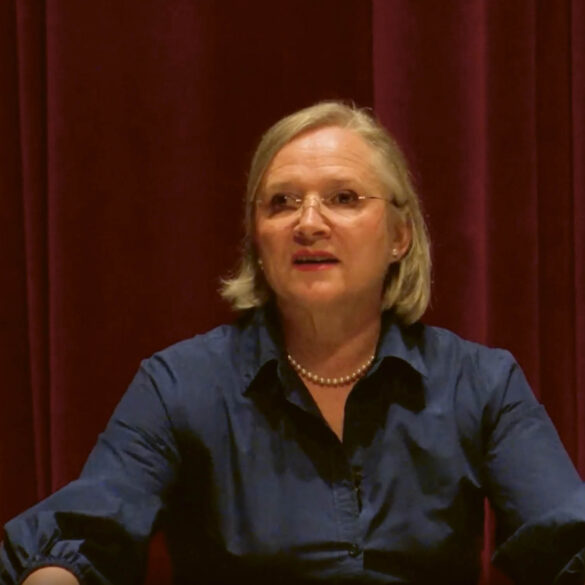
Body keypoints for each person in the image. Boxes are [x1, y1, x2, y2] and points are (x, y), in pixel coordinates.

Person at [1, 101, 585, 585]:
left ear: (399, 236)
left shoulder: (480, 383)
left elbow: (566, 540)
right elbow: (80, 538)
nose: (308, 223)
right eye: (282, 202)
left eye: (344, 198)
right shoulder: (180, 384)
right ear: (258, 241)